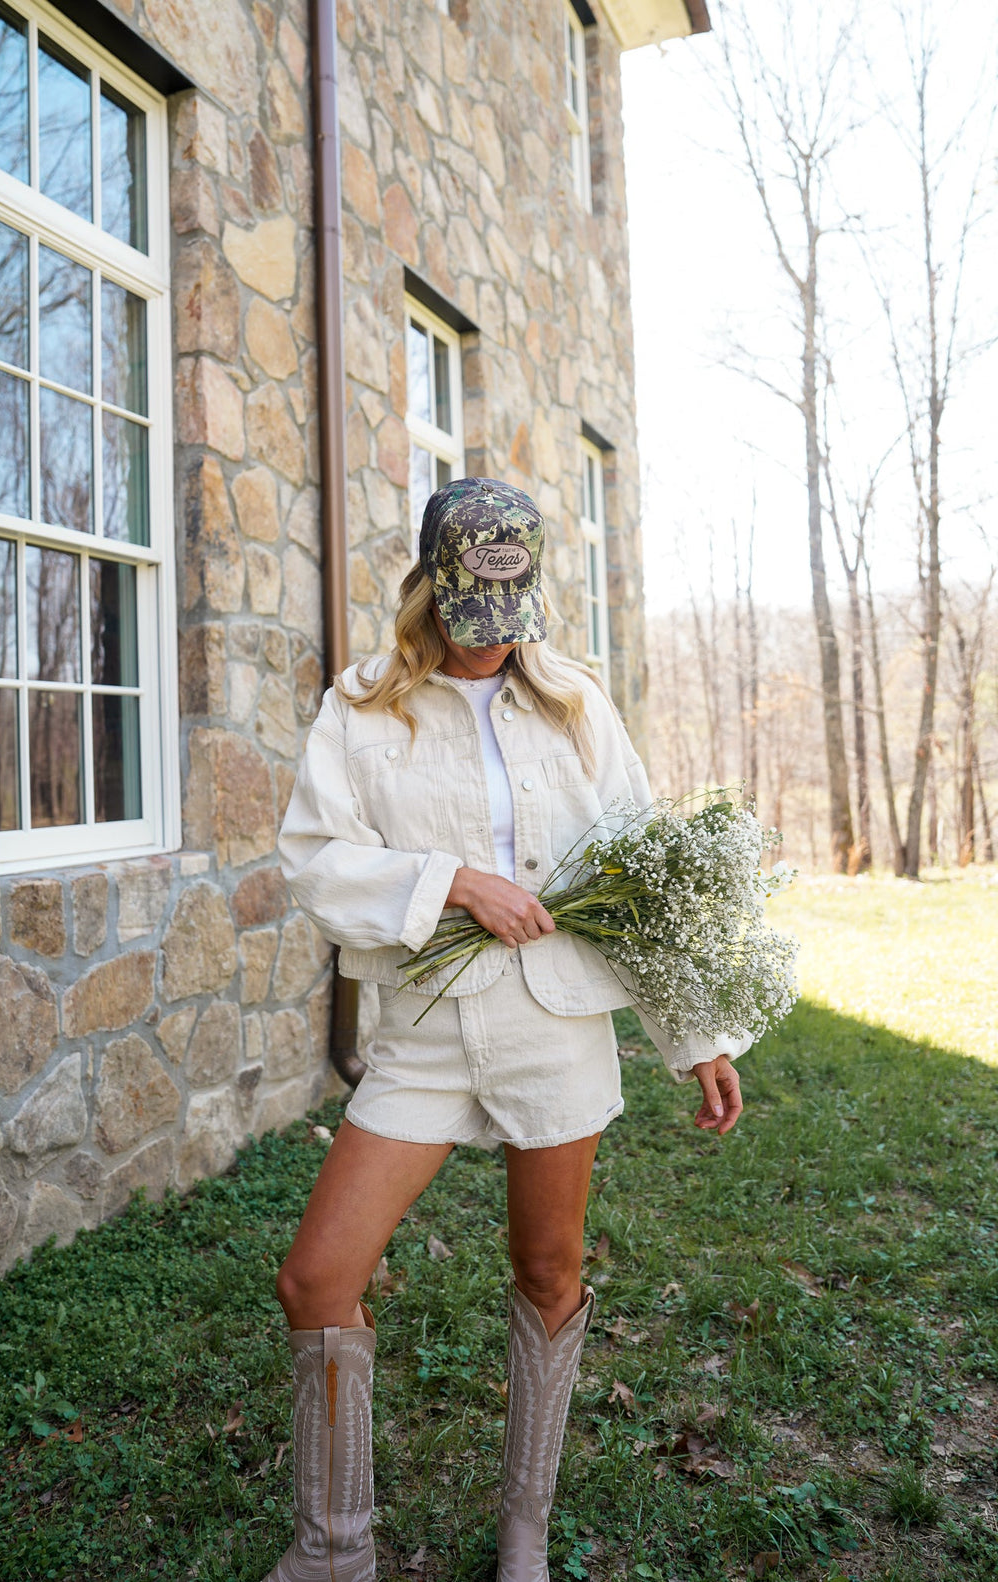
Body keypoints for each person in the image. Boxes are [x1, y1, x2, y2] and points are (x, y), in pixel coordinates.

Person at [267, 478, 747, 1582]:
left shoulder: (578, 704)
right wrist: (452, 883)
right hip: (426, 1032)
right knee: (316, 1278)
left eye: (508, 616)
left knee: (548, 1265)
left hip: (557, 1023)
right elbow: (313, 860)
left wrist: (698, 1033)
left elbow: (640, 882)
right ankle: (335, 1550)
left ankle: (524, 1527)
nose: (490, 643)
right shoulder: (361, 706)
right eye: (469, 614)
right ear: (431, 589)